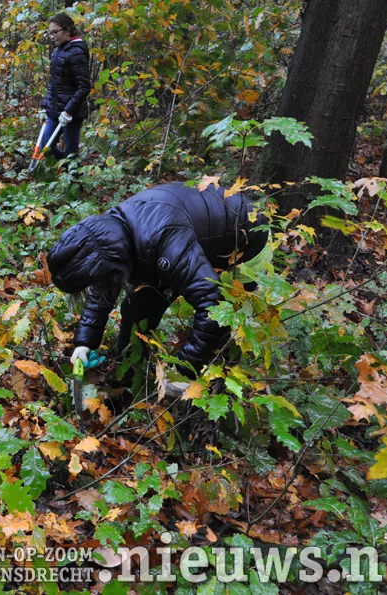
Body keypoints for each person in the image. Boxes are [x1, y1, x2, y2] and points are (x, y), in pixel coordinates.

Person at [46, 182, 270, 380]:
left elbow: (214, 305)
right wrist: (85, 342)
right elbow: (104, 287)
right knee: (137, 310)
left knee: (230, 329)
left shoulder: (163, 239)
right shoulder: (109, 232)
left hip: (246, 237)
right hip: (188, 237)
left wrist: (182, 370)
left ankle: (216, 389)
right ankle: (129, 376)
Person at [39, 12, 91, 160]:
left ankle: (73, 177)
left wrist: (68, 112)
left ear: (67, 30)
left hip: (72, 113)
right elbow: (54, 82)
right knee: (46, 147)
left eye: (55, 32)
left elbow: (84, 87)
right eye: (50, 33)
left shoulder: (76, 52)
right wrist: (45, 105)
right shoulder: (59, 50)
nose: (52, 36)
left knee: (71, 153)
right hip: (55, 109)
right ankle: (64, 168)